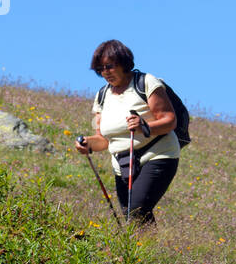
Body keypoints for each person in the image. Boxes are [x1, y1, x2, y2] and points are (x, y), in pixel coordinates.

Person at [74, 40, 179, 226]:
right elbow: (103, 140)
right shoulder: (102, 95)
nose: (105, 72)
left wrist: (144, 126)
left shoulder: (145, 83)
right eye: (100, 69)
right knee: (133, 216)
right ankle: (146, 253)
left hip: (157, 154)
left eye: (109, 66)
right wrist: (87, 144)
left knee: (137, 209)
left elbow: (170, 120)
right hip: (122, 163)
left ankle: (144, 251)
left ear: (123, 62)